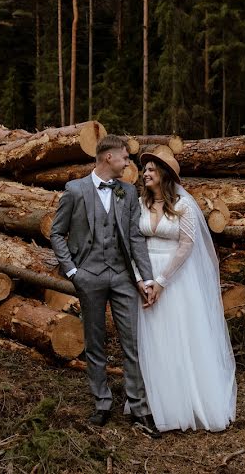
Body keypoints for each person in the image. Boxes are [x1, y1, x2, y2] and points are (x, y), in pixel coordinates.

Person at [49, 135, 162, 438]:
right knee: (95, 343)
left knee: (132, 343)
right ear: (108, 158)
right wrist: (74, 271)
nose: (128, 163)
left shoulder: (127, 191)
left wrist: (147, 278)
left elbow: (136, 239)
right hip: (89, 276)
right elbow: (56, 233)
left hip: (124, 278)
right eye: (125, 158)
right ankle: (102, 403)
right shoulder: (75, 191)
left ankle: (139, 410)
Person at [134, 147, 237, 432]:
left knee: (178, 336)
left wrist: (162, 282)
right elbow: (134, 243)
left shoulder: (184, 205)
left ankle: (185, 404)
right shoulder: (141, 204)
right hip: (145, 276)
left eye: (152, 170)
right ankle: (158, 404)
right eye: (145, 170)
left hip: (174, 279)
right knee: (153, 339)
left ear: (164, 175)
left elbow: (187, 245)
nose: (146, 174)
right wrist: (141, 279)